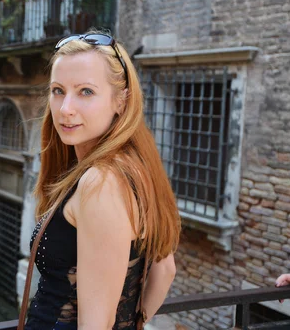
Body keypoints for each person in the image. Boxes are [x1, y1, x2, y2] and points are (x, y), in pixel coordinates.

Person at [24, 32, 181, 330]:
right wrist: (135, 322)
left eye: (85, 92)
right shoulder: (135, 168)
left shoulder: (100, 182)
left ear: (121, 101)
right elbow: (165, 270)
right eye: (58, 90)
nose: (66, 108)